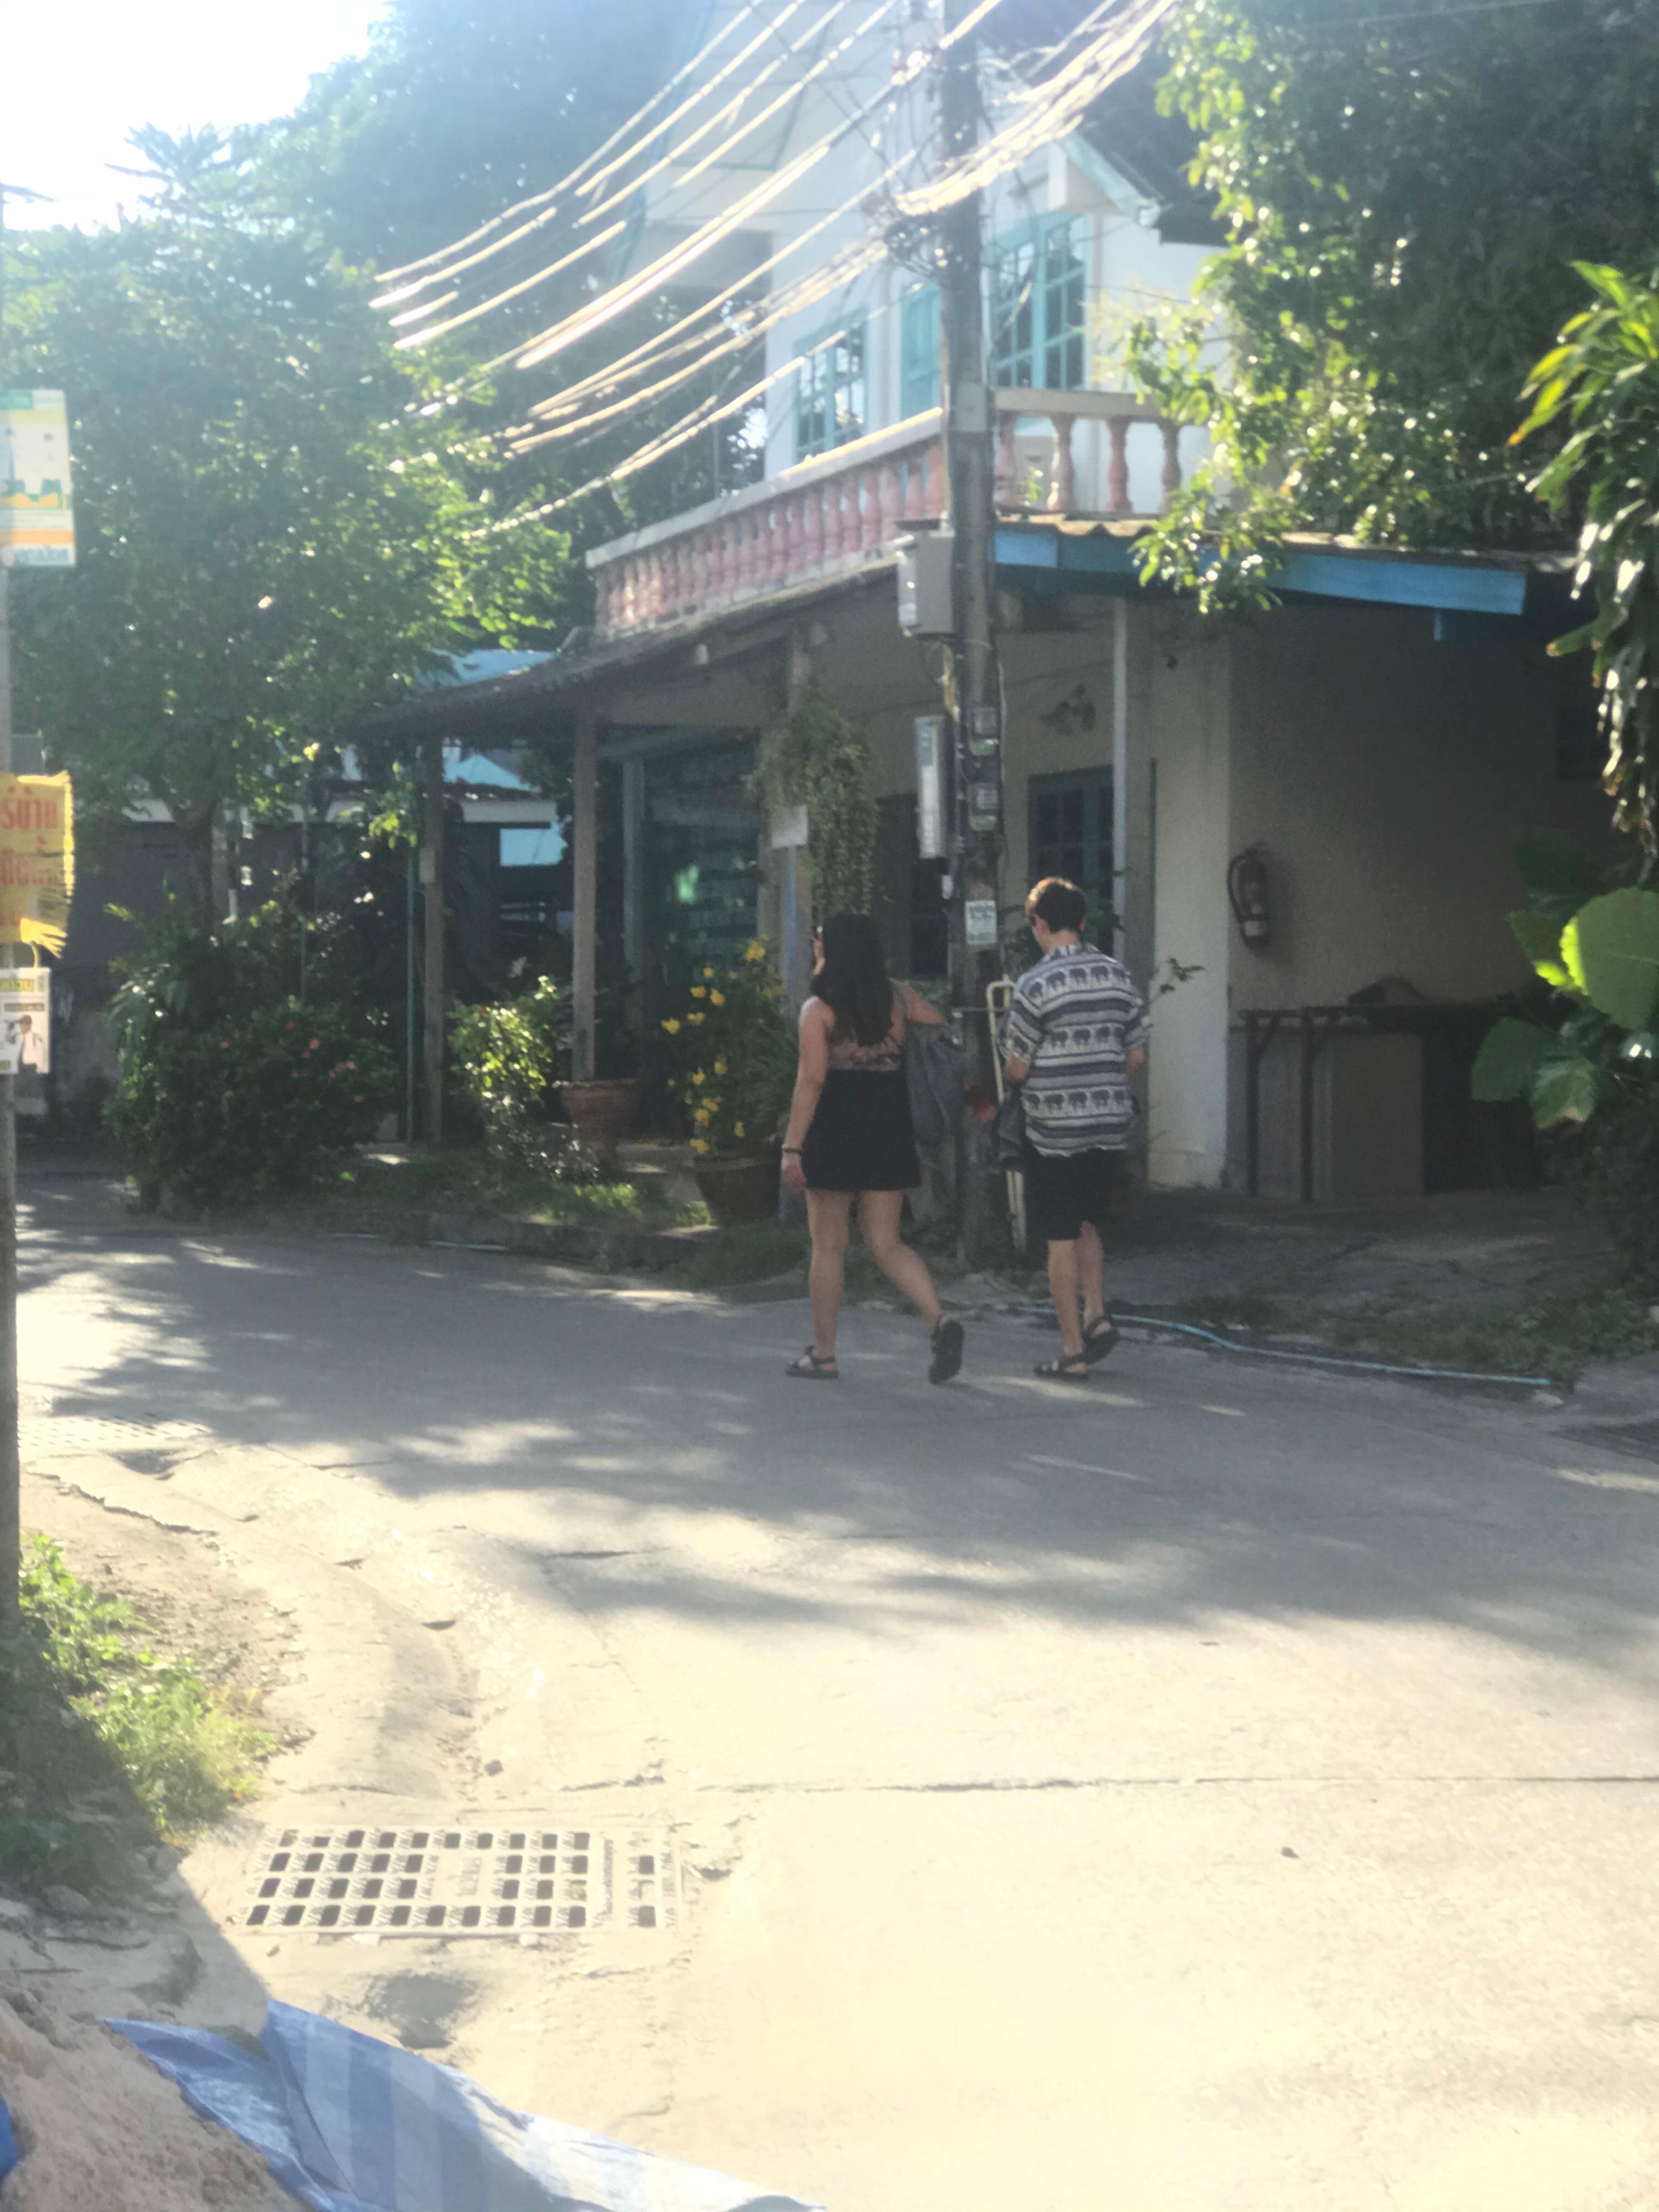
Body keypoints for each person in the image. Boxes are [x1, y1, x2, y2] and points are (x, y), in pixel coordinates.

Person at [780, 911, 965, 1385]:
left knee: (829, 1245)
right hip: (888, 1125)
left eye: (819, 939)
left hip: (835, 1128)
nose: (815, 945)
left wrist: (793, 1147)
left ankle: (824, 1355)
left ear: (833, 948)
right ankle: (939, 1320)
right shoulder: (899, 998)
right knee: (887, 1242)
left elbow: (813, 1079)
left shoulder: (818, 1010)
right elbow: (941, 1025)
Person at [1003, 877, 1148, 1382]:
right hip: (1107, 1124)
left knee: (1059, 1237)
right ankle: (1097, 1313)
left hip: (1052, 1131)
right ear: (1083, 922)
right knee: (1090, 1223)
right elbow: (1137, 1054)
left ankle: (1071, 1352)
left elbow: (1018, 1070)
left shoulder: (1034, 985)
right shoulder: (1118, 976)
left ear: (1040, 925)